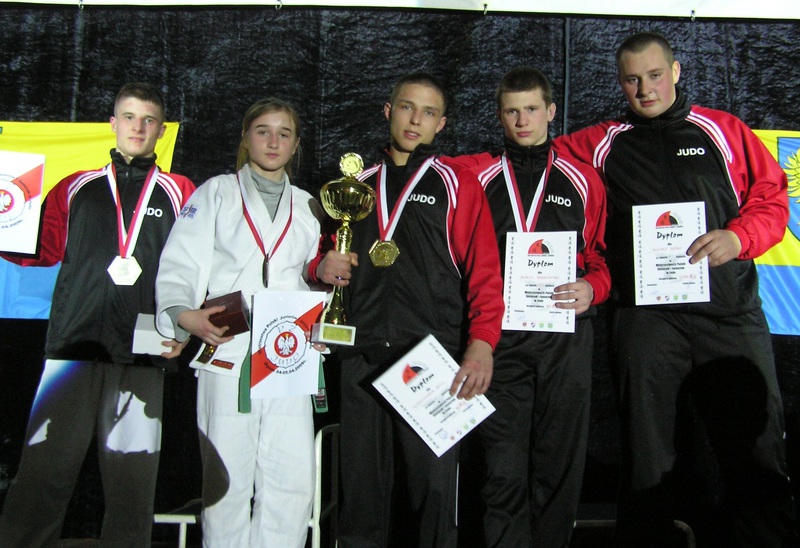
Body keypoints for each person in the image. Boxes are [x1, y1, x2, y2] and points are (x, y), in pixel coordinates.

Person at [556, 32, 797, 546]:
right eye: (632, 80)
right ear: (620, 83)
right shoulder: (601, 142)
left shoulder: (723, 130)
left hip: (727, 315)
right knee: (649, 457)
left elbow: (773, 199)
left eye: (655, 75)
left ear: (677, 71)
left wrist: (739, 237)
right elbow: (532, 156)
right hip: (648, 320)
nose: (645, 89)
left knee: (755, 449)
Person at [309, 72, 504, 547]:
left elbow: (484, 272)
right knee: (361, 498)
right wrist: (320, 266)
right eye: (406, 107)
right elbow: (322, 257)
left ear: (442, 124)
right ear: (388, 111)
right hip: (360, 355)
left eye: (428, 112)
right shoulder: (355, 185)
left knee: (433, 499)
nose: (415, 120)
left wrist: (482, 343)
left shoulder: (458, 184)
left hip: (430, 358)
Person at [0, 82, 195, 547]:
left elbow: (195, 265)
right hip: (73, 347)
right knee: (43, 473)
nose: (137, 127)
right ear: (112, 123)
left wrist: (185, 325)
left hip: (144, 349)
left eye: (148, 120)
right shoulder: (76, 186)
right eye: (129, 117)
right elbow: (42, 250)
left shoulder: (180, 190)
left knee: (133, 486)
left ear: (161, 130)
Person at [155, 97, 324, 548]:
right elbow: (181, 262)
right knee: (225, 480)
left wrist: (323, 317)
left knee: (291, 479)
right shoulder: (216, 192)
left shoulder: (310, 206)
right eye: (263, 131)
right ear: (246, 138)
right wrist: (182, 314)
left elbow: (315, 276)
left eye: (284, 134)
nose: (273, 141)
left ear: (296, 145)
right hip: (229, 349)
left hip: (288, 356)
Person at [453, 66, 610, 547]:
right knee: (501, 470)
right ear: (499, 116)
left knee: (558, 468)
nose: (522, 121)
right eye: (512, 111)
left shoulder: (583, 179)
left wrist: (593, 288)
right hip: (499, 341)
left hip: (565, 339)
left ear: (551, 111)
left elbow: (602, 257)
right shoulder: (475, 176)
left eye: (532, 109)